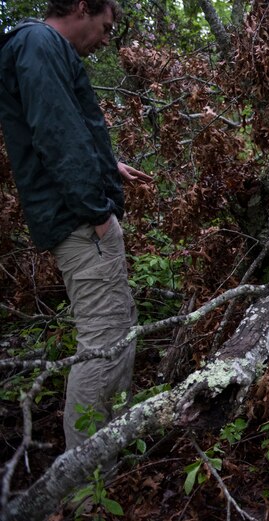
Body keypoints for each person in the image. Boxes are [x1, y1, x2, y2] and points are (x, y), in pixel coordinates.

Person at [0, 0, 152, 451]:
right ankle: (87, 487)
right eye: (104, 28)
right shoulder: (37, 43)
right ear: (83, 6)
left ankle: (113, 447)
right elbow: (56, 137)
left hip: (85, 218)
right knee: (103, 345)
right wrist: (97, 213)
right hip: (83, 224)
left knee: (120, 328)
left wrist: (110, 164)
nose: (105, 40)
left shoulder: (42, 47)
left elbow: (63, 128)